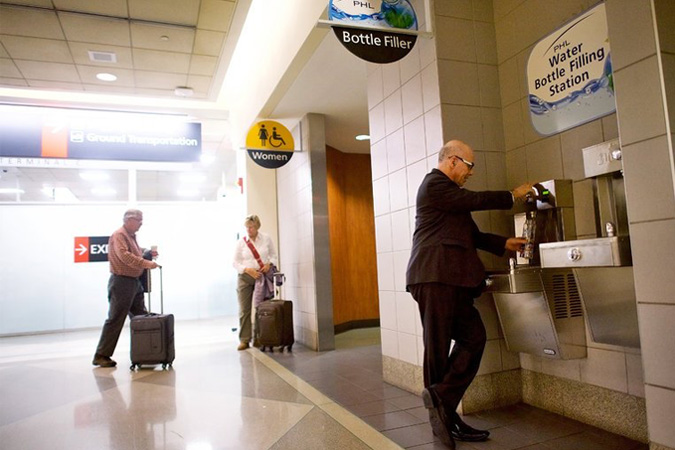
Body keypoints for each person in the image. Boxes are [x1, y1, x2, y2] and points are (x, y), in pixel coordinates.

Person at [406, 140, 533, 449]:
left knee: (473, 338)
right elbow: (473, 200)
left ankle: (443, 404)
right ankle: (441, 427)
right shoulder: (434, 185)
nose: (470, 173)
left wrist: (504, 244)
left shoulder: (450, 198)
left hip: (453, 280)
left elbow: (471, 236)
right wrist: (511, 196)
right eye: (469, 166)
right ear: (452, 160)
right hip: (434, 276)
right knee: (436, 349)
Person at [93, 209, 159, 368]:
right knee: (116, 318)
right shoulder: (119, 235)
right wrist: (146, 263)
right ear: (129, 220)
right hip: (122, 282)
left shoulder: (130, 237)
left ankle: (146, 353)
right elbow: (125, 256)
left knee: (141, 318)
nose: (141, 224)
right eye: (139, 220)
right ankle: (101, 355)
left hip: (134, 282)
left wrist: (146, 253)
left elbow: (134, 252)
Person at [232, 214, 278, 351]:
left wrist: (270, 264)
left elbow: (273, 255)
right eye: (247, 227)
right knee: (244, 310)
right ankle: (245, 340)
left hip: (261, 277)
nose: (249, 230)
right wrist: (247, 269)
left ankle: (259, 338)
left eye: (251, 227)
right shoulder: (242, 242)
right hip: (245, 277)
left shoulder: (266, 239)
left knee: (260, 308)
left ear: (257, 226)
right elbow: (235, 262)